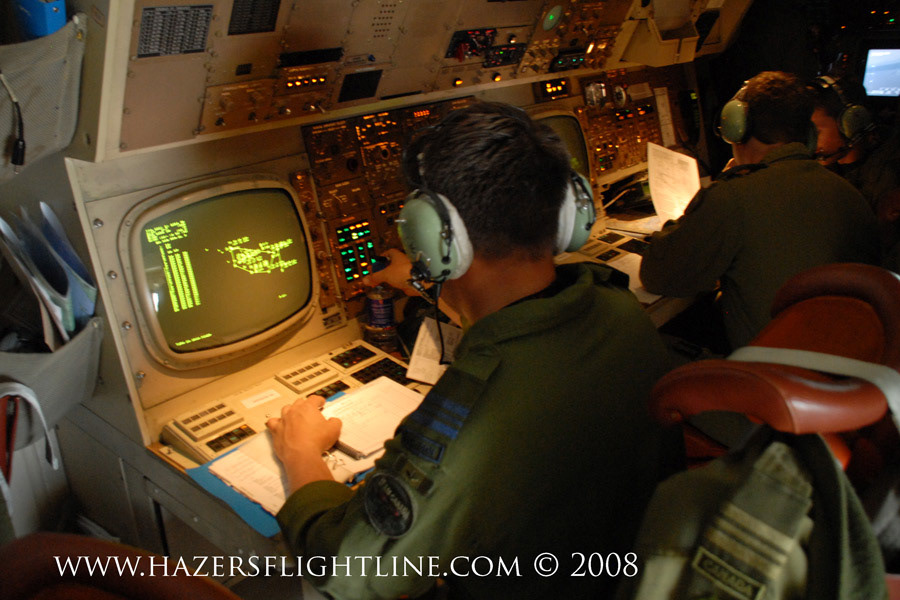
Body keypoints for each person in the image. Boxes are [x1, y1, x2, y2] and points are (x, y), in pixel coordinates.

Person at [266, 102, 678, 599]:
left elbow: (348, 573)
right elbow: (509, 306)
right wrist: (426, 284)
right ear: (568, 212)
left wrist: (301, 454)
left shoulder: (475, 409)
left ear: (428, 234)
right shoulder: (617, 308)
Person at [639, 71, 880, 352]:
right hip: (851, 363)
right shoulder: (849, 194)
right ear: (808, 135)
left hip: (774, 372)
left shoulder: (732, 197)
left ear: (736, 128)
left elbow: (659, 274)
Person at [811, 73, 900, 273]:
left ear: (851, 123)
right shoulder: (818, 170)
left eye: (816, 132)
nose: (809, 141)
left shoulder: (889, 176)